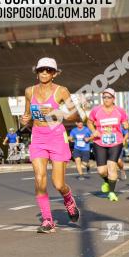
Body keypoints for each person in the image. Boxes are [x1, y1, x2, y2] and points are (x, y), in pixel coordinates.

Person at [20, 58, 80, 233]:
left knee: (58, 183)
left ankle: (68, 199)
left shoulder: (61, 91)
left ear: (54, 73)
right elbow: (27, 116)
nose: (44, 73)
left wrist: (57, 113)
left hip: (56, 136)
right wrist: (25, 120)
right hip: (38, 137)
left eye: (48, 70)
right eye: (41, 70)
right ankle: (47, 220)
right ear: (36, 72)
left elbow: (76, 116)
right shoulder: (29, 92)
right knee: (39, 178)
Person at [86, 88, 129, 203]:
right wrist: (93, 130)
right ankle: (106, 180)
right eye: (104, 97)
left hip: (116, 142)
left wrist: (126, 125)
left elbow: (126, 123)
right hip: (99, 142)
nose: (106, 99)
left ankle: (112, 192)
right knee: (101, 171)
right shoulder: (96, 111)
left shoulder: (120, 111)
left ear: (113, 98)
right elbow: (89, 122)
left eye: (108, 97)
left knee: (111, 166)